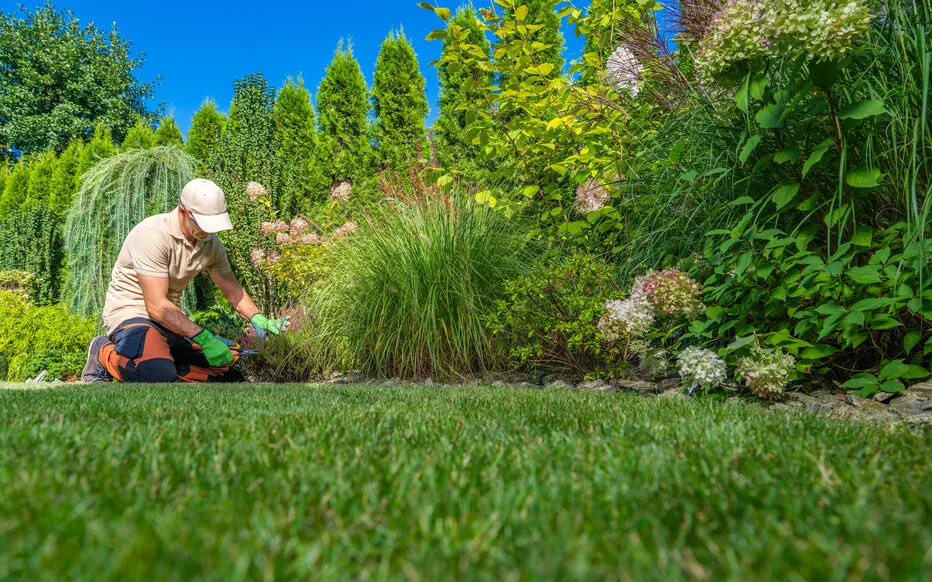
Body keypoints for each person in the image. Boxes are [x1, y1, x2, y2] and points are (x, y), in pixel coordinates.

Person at [81, 178, 290, 383]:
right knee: (155, 372)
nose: (209, 231)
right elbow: (156, 307)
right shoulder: (152, 234)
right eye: (203, 224)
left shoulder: (211, 244)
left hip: (169, 320)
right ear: (183, 212)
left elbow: (233, 291)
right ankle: (102, 352)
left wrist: (258, 318)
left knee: (228, 370)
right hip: (132, 313)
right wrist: (204, 338)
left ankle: (166, 361)